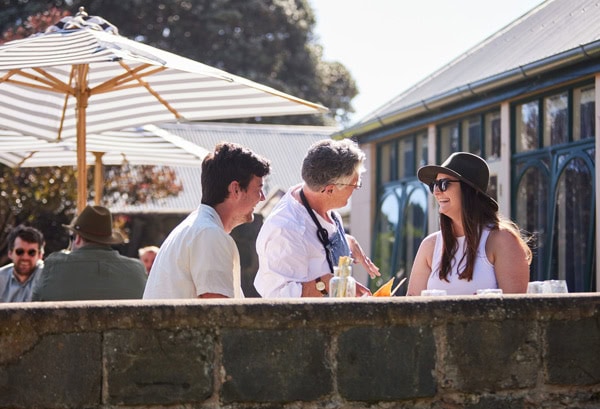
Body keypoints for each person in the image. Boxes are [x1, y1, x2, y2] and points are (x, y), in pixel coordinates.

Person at [143, 141, 271, 299]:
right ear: (236, 189)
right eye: (259, 189)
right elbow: (218, 316)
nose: (263, 197)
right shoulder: (209, 234)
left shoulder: (200, 228)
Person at [254, 138, 380, 298]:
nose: (356, 189)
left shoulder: (320, 204)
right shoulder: (284, 230)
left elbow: (313, 241)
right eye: (354, 185)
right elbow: (279, 298)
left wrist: (346, 241)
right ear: (329, 190)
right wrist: (330, 283)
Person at [406, 152, 532, 295]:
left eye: (444, 184)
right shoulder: (430, 245)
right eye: (434, 185)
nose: (436, 191)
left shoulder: (502, 241)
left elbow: (515, 310)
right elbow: (411, 307)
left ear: (469, 190)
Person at [31, 205, 147, 301]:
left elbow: (34, 306)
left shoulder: (54, 266)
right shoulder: (137, 269)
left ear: (78, 239)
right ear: (108, 239)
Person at [0, 225, 45, 302]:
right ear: (10, 253)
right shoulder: (1, 278)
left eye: (31, 252)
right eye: (20, 252)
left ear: (40, 255)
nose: (25, 257)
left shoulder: (47, 275)